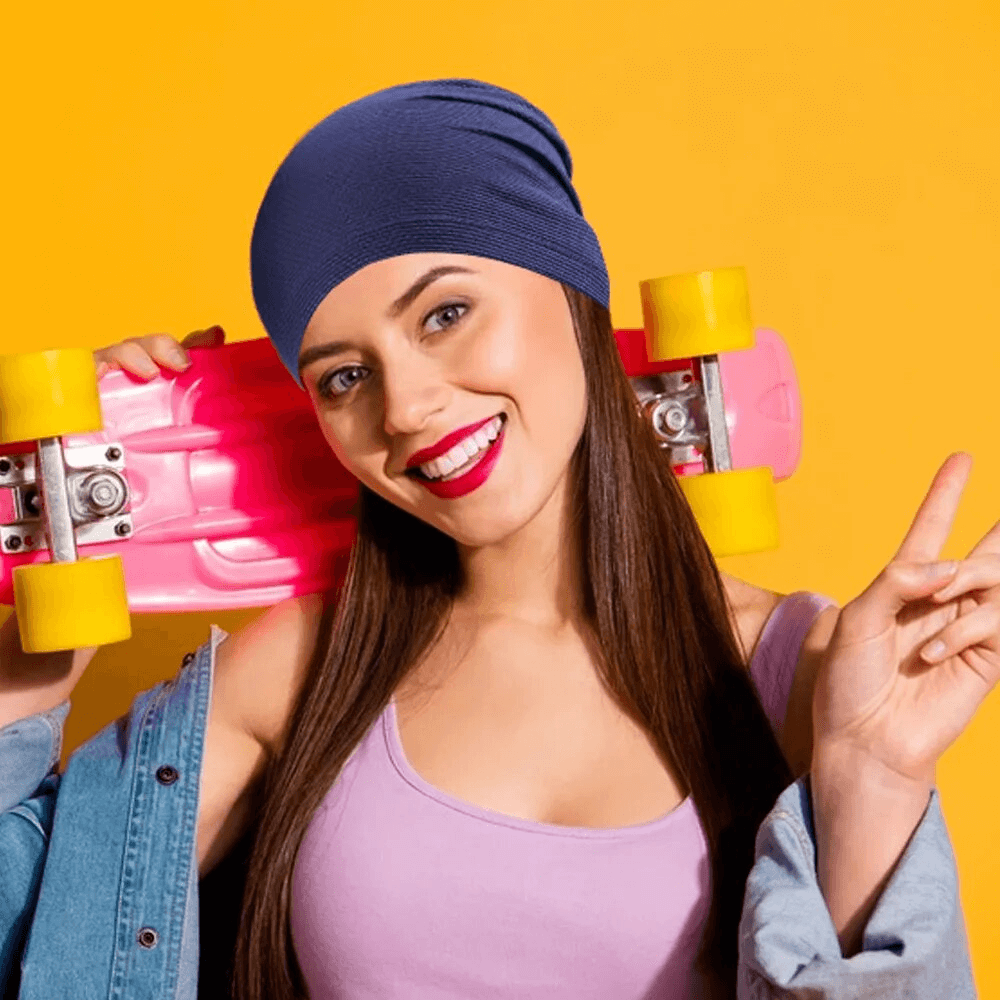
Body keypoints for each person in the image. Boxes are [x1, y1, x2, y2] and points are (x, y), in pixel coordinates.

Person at [0, 79, 990, 1000]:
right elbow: (37, 946)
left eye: (446, 313)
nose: (408, 407)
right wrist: (31, 660)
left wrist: (871, 783)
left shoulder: (797, 674)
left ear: (572, 289)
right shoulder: (298, 671)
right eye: (345, 376)